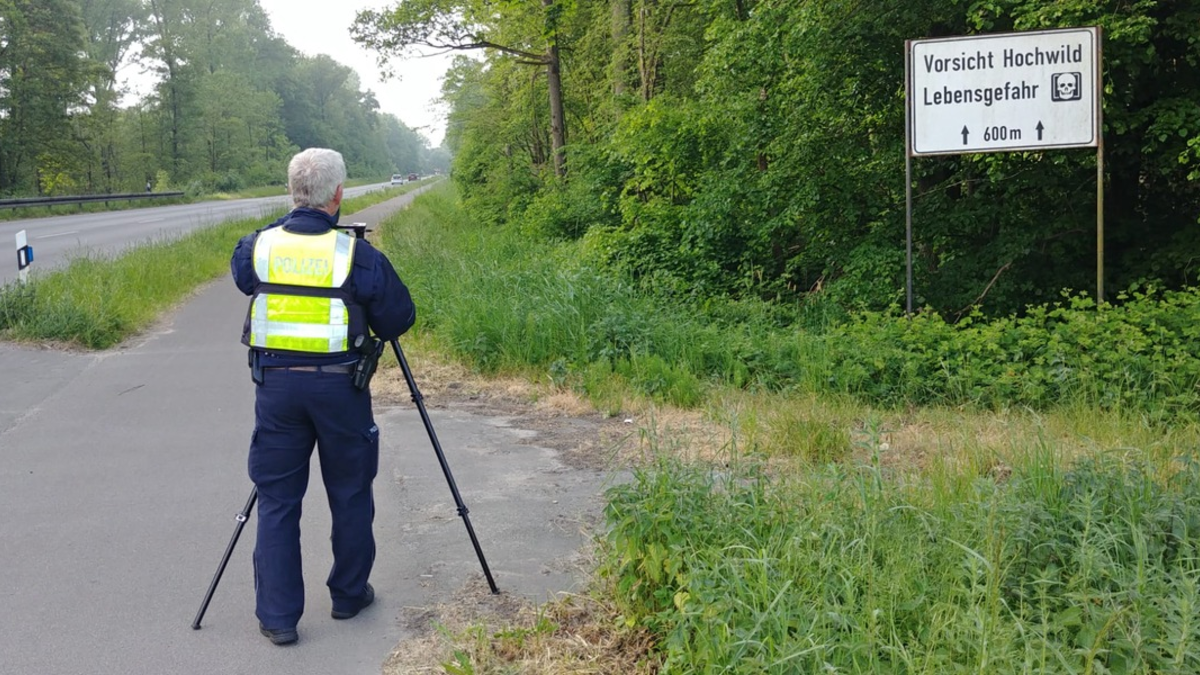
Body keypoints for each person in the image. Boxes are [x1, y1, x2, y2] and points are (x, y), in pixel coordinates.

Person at [229, 147, 416, 645]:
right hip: (340, 388)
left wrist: (291, 215)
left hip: (276, 389)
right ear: (338, 196)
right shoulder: (357, 255)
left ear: (293, 193)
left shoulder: (259, 247)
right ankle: (348, 594)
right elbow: (398, 320)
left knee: (277, 500)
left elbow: (244, 272)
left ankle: (278, 617)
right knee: (351, 491)